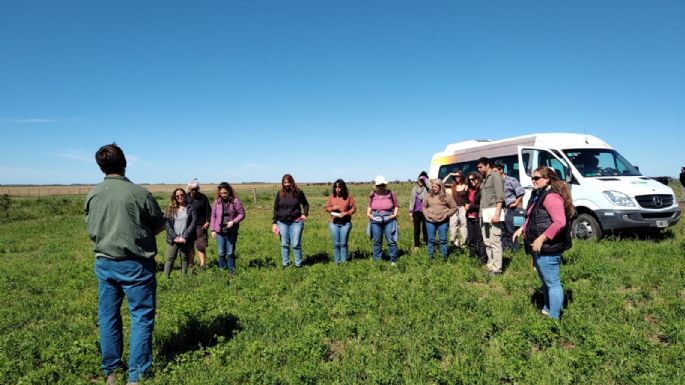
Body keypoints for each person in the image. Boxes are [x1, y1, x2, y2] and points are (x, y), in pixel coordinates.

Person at [84, 143, 165, 385]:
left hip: (104, 262)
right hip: (136, 264)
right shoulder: (139, 193)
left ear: (101, 166)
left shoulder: (93, 194)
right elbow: (160, 225)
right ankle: (136, 375)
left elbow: (91, 230)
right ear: (125, 162)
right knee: (140, 317)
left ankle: (110, 371)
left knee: (108, 316)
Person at [513, 166, 574, 319]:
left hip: (548, 247)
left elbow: (560, 222)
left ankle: (554, 318)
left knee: (552, 283)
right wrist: (522, 228)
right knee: (546, 282)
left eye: (537, 178)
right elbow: (531, 216)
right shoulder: (538, 194)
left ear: (547, 179)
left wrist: (541, 238)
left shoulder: (551, 197)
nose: (533, 181)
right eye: (532, 178)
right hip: (539, 247)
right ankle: (547, 310)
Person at [272, 174, 309, 268]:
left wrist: (305, 214)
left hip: (296, 222)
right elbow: (276, 209)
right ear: (283, 183)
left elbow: (305, 204)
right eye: (285, 182)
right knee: (284, 244)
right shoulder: (279, 193)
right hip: (282, 222)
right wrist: (274, 223)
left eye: (288, 182)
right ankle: (285, 264)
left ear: (292, 182)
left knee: (296, 243)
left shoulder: (298, 192)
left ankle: (298, 264)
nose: (287, 184)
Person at [477, 157, 505, 276]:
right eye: (478, 168)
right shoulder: (484, 180)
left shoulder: (495, 176)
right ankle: (490, 265)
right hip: (484, 214)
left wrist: (497, 214)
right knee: (487, 242)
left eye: (481, 167)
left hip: (493, 214)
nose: (479, 169)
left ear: (487, 165)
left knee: (495, 242)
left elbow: (500, 197)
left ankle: (497, 268)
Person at [210, 182, 245, 274]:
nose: (224, 195)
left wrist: (233, 222)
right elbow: (213, 216)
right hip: (219, 231)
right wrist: (213, 229)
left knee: (230, 252)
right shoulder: (217, 202)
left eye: (225, 193)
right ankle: (222, 270)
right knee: (221, 252)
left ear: (229, 191)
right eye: (222, 193)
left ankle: (231, 271)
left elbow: (242, 214)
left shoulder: (235, 201)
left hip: (231, 231)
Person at [163, 188, 197, 278]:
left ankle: (183, 278)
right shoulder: (170, 208)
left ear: (185, 195)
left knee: (184, 258)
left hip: (185, 238)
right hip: (173, 239)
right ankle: (166, 278)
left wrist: (184, 236)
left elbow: (193, 223)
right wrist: (174, 237)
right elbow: (166, 223)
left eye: (182, 195)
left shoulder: (190, 207)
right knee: (170, 258)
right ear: (175, 197)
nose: (180, 197)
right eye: (177, 196)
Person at [366, 175, 400, 265]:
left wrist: (394, 215)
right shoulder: (372, 194)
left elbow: (396, 205)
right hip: (375, 219)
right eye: (379, 185)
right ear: (376, 186)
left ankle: (393, 260)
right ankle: (377, 261)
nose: (381, 187)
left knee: (391, 240)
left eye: (383, 185)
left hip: (389, 219)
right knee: (377, 241)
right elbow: (369, 206)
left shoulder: (391, 193)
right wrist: (369, 214)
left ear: (385, 185)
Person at [423, 179, 457, 260]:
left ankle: (444, 257)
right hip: (430, 221)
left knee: (443, 240)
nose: (433, 189)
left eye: (435, 187)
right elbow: (424, 207)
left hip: (443, 221)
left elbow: (454, 207)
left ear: (440, 186)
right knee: (431, 239)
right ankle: (431, 257)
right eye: (432, 187)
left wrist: (446, 214)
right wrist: (427, 215)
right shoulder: (429, 195)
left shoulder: (446, 196)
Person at [325, 179, 357, 264]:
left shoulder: (348, 196)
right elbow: (327, 208)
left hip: (345, 223)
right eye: (336, 187)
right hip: (334, 223)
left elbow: (354, 208)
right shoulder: (332, 196)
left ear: (343, 187)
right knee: (336, 243)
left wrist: (346, 213)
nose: (337, 189)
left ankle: (344, 262)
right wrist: (333, 208)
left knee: (343, 243)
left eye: (339, 187)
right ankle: (337, 262)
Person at [495, 164, 525, 252]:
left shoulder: (511, 180)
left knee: (510, 229)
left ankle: (514, 249)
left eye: (496, 171)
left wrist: (516, 202)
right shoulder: (495, 182)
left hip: (509, 208)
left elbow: (521, 192)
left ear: (501, 170)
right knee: (502, 230)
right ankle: (505, 248)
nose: (494, 173)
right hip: (500, 208)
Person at [186, 179, 211, 267]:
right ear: (188, 189)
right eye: (192, 189)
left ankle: (202, 265)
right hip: (188, 225)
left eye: (196, 189)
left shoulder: (203, 197)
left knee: (201, 245)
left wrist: (208, 221)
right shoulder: (185, 197)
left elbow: (208, 210)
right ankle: (191, 264)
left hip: (200, 224)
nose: (194, 191)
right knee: (189, 246)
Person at [465, 172, 487, 264]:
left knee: (480, 240)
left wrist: (471, 207)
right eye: (470, 180)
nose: (471, 181)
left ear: (478, 179)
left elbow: (483, 205)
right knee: (471, 239)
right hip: (469, 217)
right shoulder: (469, 190)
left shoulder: (481, 190)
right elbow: (466, 201)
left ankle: (482, 259)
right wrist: (465, 204)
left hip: (478, 217)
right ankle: (472, 258)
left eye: (473, 179)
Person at [443, 170, 468, 250]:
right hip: (453, 208)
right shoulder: (452, 185)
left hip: (462, 208)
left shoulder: (465, 186)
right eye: (456, 176)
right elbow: (442, 183)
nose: (457, 178)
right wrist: (450, 174)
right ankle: (454, 243)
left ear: (461, 176)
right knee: (453, 225)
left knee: (463, 225)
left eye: (459, 176)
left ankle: (464, 243)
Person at [408, 171, 429, 251]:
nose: (421, 181)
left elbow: (429, 186)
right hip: (416, 211)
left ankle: (426, 243)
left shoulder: (427, 189)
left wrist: (425, 179)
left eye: (423, 180)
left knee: (425, 228)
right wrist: (410, 211)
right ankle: (417, 245)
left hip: (425, 211)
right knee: (416, 229)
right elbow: (411, 200)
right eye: (420, 179)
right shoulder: (414, 189)